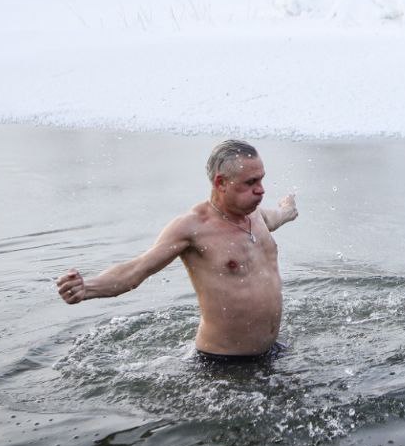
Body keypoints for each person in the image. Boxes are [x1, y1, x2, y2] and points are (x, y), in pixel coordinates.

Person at [55, 140, 298, 361]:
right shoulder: (192, 228)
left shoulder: (254, 214)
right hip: (223, 364)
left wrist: (287, 210)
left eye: (261, 179)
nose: (261, 190)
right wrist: (87, 288)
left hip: (272, 350)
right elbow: (135, 271)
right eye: (251, 183)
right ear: (221, 183)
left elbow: (274, 218)